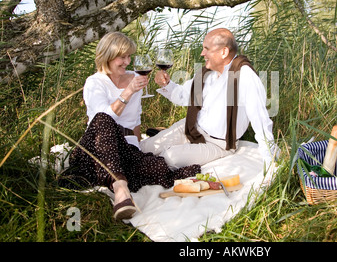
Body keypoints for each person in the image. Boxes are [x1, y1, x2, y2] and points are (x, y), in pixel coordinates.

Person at [59, 32, 200, 220]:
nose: (127, 62)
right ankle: (120, 188)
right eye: (122, 57)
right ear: (107, 56)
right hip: (98, 147)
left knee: (160, 169)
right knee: (102, 119)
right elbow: (103, 118)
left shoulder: (134, 77)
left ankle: (112, 176)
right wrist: (128, 91)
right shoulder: (95, 82)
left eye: (129, 56)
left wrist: (137, 148)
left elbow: (135, 120)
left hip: (125, 147)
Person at [140, 28, 279, 169]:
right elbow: (182, 96)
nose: (202, 53)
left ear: (224, 52)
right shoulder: (208, 72)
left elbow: (260, 120)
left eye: (206, 49)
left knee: (168, 158)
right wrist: (167, 84)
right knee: (145, 147)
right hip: (190, 128)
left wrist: (270, 161)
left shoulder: (244, 76)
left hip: (218, 144)